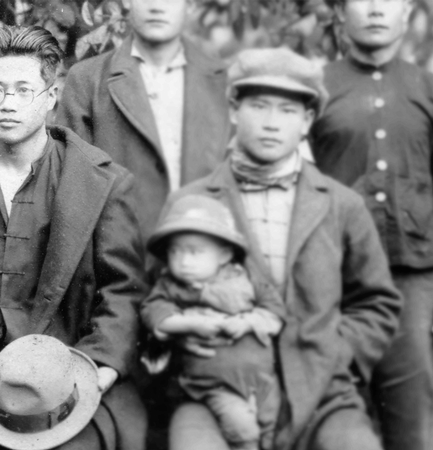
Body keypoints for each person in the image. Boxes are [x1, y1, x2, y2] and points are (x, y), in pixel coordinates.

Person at [166, 47, 402, 450]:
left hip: (321, 396)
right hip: (216, 389)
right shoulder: (192, 202)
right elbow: (159, 296)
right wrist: (181, 338)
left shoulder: (342, 205)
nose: (272, 123)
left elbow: (376, 302)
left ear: (307, 121)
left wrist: (333, 354)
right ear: (234, 110)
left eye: (288, 110)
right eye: (259, 106)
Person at [0, 25, 148, 450]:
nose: (7, 104)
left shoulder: (98, 182)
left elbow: (123, 293)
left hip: (69, 358)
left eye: (23, 90)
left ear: (51, 97)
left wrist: (99, 368)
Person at [308, 1, 432, 449]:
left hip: (412, 280)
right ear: (341, 14)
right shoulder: (316, 86)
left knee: (413, 419)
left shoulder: (425, 87)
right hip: (333, 279)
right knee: (336, 415)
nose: (376, 9)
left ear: (407, 13)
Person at [57, 0, 230, 247]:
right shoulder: (87, 79)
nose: (157, 7)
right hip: (120, 256)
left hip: (203, 252)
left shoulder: (223, 81)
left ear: (190, 5)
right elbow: (72, 193)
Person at [141, 194, 283, 450]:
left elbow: (275, 311)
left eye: (195, 252)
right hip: (215, 385)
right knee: (244, 430)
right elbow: (153, 313)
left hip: (262, 380)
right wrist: (190, 323)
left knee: (273, 429)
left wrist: (247, 321)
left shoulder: (246, 278)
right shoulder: (171, 285)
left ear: (225, 254)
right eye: (175, 251)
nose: (184, 262)